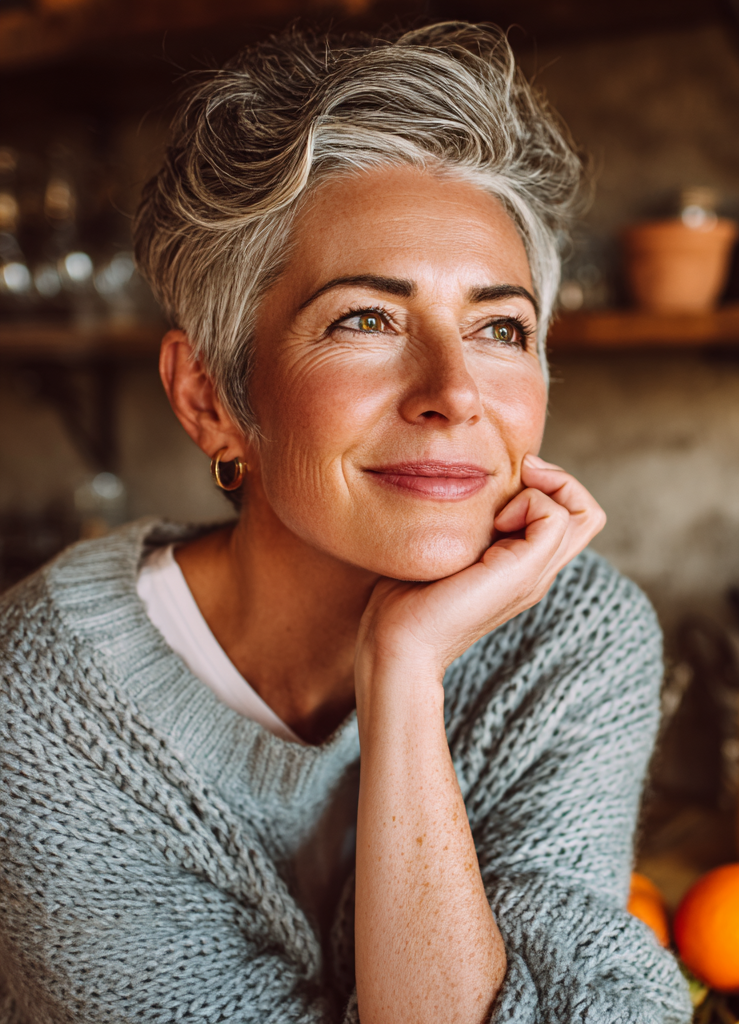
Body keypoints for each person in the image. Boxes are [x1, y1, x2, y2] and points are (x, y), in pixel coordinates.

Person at [0, 23, 690, 1024]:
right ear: (209, 398)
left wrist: (401, 668)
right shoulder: (41, 705)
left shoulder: (572, 632)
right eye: (364, 318)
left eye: (500, 328)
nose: (454, 393)